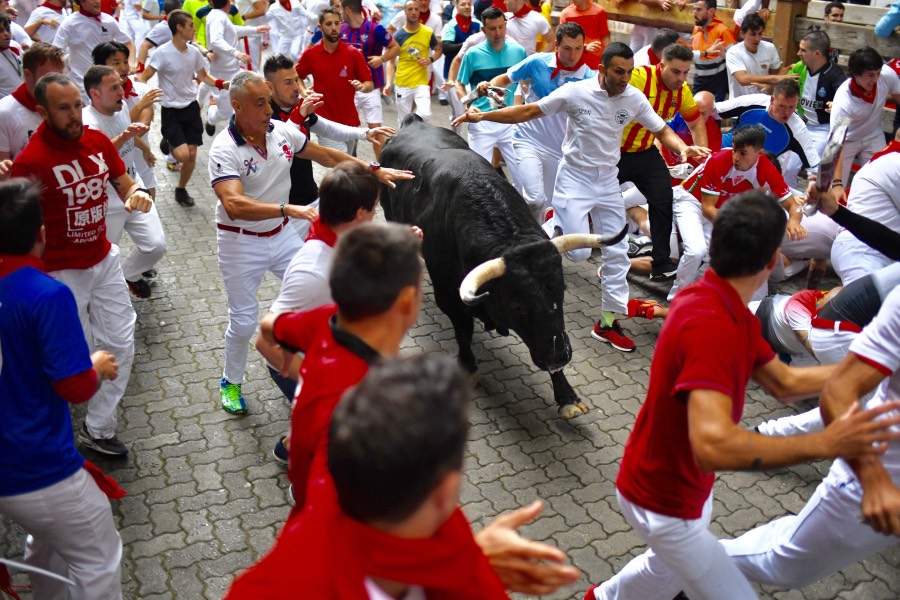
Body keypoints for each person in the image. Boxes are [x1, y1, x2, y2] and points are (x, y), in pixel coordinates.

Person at [586, 190, 900, 600]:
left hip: (679, 487)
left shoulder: (724, 302)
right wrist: (824, 443)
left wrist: (872, 362)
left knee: (660, 569)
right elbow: (713, 445)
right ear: (774, 260)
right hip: (662, 499)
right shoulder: (711, 324)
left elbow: (784, 383)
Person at [225, 353, 580, 598]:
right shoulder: (446, 532)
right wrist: (473, 567)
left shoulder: (260, 589)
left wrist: (472, 562)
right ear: (447, 489)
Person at [454, 42, 708, 353]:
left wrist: (681, 148)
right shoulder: (577, 92)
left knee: (615, 253)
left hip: (607, 184)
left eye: (628, 72)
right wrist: (484, 117)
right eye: (618, 72)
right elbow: (529, 110)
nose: (624, 78)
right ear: (602, 69)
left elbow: (660, 130)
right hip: (574, 181)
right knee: (578, 255)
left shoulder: (633, 97)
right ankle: (551, 225)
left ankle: (607, 323)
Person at [208, 70, 410, 415]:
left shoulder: (282, 132)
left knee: (327, 288)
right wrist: (288, 209)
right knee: (243, 321)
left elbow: (327, 156)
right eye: (259, 104)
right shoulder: (224, 148)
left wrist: (373, 170)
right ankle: (231, 381)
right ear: (236, 106)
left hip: (281, 233)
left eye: (268, 102)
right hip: (240, 242)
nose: (268, 110)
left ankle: (322, 360)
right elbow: (234, 205)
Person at [720, 285, 900, 590]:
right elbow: (835, 390)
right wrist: (874, 481)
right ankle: (680, 564)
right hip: (882, 465)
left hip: (803, 340)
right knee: (783, 565)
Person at [11, 73, 154, 457]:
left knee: (121, 342)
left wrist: (136, 192)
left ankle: (98, 427)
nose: (75, 115)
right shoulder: (31, 162)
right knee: (77, 352)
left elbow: (123, 180)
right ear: (42, 112)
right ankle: (56, 423)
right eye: (64, 108)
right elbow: (19, 229)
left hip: (103, 259)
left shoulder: (95, 141)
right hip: (60, 274)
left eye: (77, 105)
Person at [0, 178, 124, 600]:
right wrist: (97, 365)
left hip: (9, 470)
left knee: (47, 549)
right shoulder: (46, 295)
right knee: (99, 561)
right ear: (41, 234)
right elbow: (74, 387)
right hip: (38, 464)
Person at [256, 161, 381, 462]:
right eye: (375, 208)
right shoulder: (312, 271)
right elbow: (264, 341)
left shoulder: (341, 236)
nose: (377, 215)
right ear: (360, 214)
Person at [263, 53, 391, 237]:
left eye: (296, 80)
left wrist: (364, 133)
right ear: (269, 86)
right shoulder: (264, 115)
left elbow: (328, 128)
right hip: (281, 210)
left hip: (310, 200)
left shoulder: (299, 106)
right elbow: (286, 145)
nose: (295, 88)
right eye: (287, 82)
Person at [668, 125, 799, 300]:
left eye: (743, 153)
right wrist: (735, 230)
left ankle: (698, 296)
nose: (736, 157)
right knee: (696, 250)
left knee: (719, 252)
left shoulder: (766, 169)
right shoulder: (719, 159)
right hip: (691, 201)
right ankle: (676, 299)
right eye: (735, 150)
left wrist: (794, 221)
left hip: (719, 211)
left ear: (759, 154)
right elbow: (707, 208)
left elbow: (793, 205)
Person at [482, 21, 593, 223]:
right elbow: (504, 79)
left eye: (578, 49)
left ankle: (531, 239)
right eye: (567, 48)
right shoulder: (537, 62)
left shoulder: (589, 78)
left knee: (546, 206)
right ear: (556, 46)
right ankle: (522, 234)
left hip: (559, 151)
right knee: (535, 198)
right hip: (527, 140)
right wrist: (490, 88)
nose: (572, 55)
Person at [619, 42, 707, 285]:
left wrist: (701, 157)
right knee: (590, 197)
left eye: (686, 72)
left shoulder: (683, 91)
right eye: (676, 72)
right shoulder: (638, 77)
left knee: (662, 196)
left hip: (645, 151)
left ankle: (660, 263)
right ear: (661, 66)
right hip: (612, 152)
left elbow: (696, 121)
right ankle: (555, 228)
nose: (681, 78)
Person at [82, 64, 167, 300]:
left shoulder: (119, 109)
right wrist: (126, 136)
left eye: (121, 85)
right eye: (114, 88)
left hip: (134, 188)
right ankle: (104, 301)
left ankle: (129, 274)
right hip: (107, 204)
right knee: (105, 260)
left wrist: (143, 146)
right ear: (95, 94)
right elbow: (98, 157)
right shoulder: (88, 122)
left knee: (156, 245)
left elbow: (128, 132)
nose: (121, 91)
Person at [139, 9, 225, 207]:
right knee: (183, 155)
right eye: (191, 26)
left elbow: (204, 77)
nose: (194, 30)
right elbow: (145, 77)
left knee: (192, 155)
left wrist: (223, 84)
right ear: (179, 27)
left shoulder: (194, 52)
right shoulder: (162, 53)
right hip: (171, 111)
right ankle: (169, 141)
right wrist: (143, 100)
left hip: (191, 108)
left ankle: (181, 189)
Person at [455, 7, 526, 188]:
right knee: (479, 179)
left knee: (523, 177)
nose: (498, 32)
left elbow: (525, 84)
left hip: (510, 120)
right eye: (493, 28)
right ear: (483, 30)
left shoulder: (518, 52)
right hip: (482, 123)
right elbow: (459, 84)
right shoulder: (472, 54)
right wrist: (467, 107)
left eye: (501, 27)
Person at [295, 7, 373, 153]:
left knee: (347, 168)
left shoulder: (353, 54)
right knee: (342, 163)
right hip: (325, 123)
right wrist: (304, 90)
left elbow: (369, 83)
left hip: (350, 123)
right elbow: (296, 76)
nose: (334, 28)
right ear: (320, 27)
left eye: (337, 23)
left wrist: (362, 87)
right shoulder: (311, 54)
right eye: (329, 24)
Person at [716, 78, 820, 187]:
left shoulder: (798, 129)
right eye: (782, 106)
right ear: (772, 100)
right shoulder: (753, 101)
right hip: (720, 154)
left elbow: (815, 165)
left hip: (750, 177)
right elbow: (712, 110)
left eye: (791, 107)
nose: (787, 113)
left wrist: (814, 183)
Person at [830, 131, 900, 286]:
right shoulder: (896, 162)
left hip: (872, 246)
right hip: (863, 251)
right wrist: (836, 183)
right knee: (860, 307)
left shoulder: (891, 155)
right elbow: (835, 138)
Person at [829, 47, 900, 188]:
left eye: (878, 73)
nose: (875, 79)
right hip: (846, 141)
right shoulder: (843, 100)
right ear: (855, 73)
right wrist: (837, 184)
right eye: (870, 75)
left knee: (882, 180)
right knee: (829, 187)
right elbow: (835, 145)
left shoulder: (887, 75)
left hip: (873, 135)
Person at [339, 0, 399, 158]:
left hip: (370, 89)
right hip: (347, 89)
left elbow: (396, 47)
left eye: (340, 9)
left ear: (347, 10)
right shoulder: (341, 29)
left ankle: (381, 165)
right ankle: (351, 165)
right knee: (348, 129)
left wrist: (382, 59)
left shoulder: (376, 29)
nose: (339, 13)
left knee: (376, 129)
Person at [204, 0, 268, 134]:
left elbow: (233, 30)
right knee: (224, 113)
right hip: (221, 73)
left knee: (250, 92)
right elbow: (216, 40)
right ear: (228, 2)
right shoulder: (217, 17)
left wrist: (255, 29)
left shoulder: (220, 15)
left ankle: (247, 129)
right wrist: (236, 53)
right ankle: (211, 118)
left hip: (234, 70)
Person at [52, 0, 132, 101]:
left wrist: (130, 62)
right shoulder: (69, 23)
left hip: (106, 82)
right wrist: (63, 75)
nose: (97, 2)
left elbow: (127, 42)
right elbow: (56, 52)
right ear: (81, 1)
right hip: (80, 83)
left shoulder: (108, 20)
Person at [0, 42, 64, 161]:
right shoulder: (4, 112)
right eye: (49, 76)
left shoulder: (68, 104)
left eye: (60, 75)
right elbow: (3, 169)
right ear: (28, 74)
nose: (57, 82)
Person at [787, 30, 846, 157]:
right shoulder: (799, 67)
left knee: (813, 168)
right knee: (788, 166)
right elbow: (786, 86)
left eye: (803, 50)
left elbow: (847, 101)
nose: (798, 54)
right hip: (800, 123)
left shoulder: (835, 75)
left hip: (823, 129)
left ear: (817, 53)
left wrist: (837, 104)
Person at [392, 0, 441, 123]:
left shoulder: (428, 32)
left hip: (421, 81)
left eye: (416, 9)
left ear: (419, 11)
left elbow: (438, 49)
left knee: (424, 114)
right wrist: (388, 82)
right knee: (403, 121)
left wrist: (430, 59)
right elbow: (390, 60)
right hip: (402, 82)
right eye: (410, 9)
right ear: (405, 11)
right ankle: (405, 137)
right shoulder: (398, 35)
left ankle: (414, 126)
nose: (413, 12)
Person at [725, 13, 792, 98]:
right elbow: (742, 79)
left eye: (760, 34)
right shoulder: (733, 52)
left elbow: (776, 74)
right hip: (740, 105)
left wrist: (789, 69)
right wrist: (774, 79)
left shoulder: (769, 48)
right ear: (742, 34)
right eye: (753, 34)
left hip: (764, 102)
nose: (757, 39)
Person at [690, 0, 735, 102]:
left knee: (713, 116)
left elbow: (736, 58)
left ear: (711, 11)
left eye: (699, 10)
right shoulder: (696, 29)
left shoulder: (723, 31)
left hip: (716, 85)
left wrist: (724, 55)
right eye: (694, 10)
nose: (694, 13)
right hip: (698, 82)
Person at [558, 0, 609, 70]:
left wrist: (610, 56)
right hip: (575, 65)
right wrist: (585, 47)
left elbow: (605, 37)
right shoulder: (566, 14)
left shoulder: (599, 11)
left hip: (596, 64)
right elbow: (563, 40)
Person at [0, 16, 23, 98]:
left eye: (8, 29)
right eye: (1, 31)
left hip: (23, 98)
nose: (6, 34)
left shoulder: (15, 46)